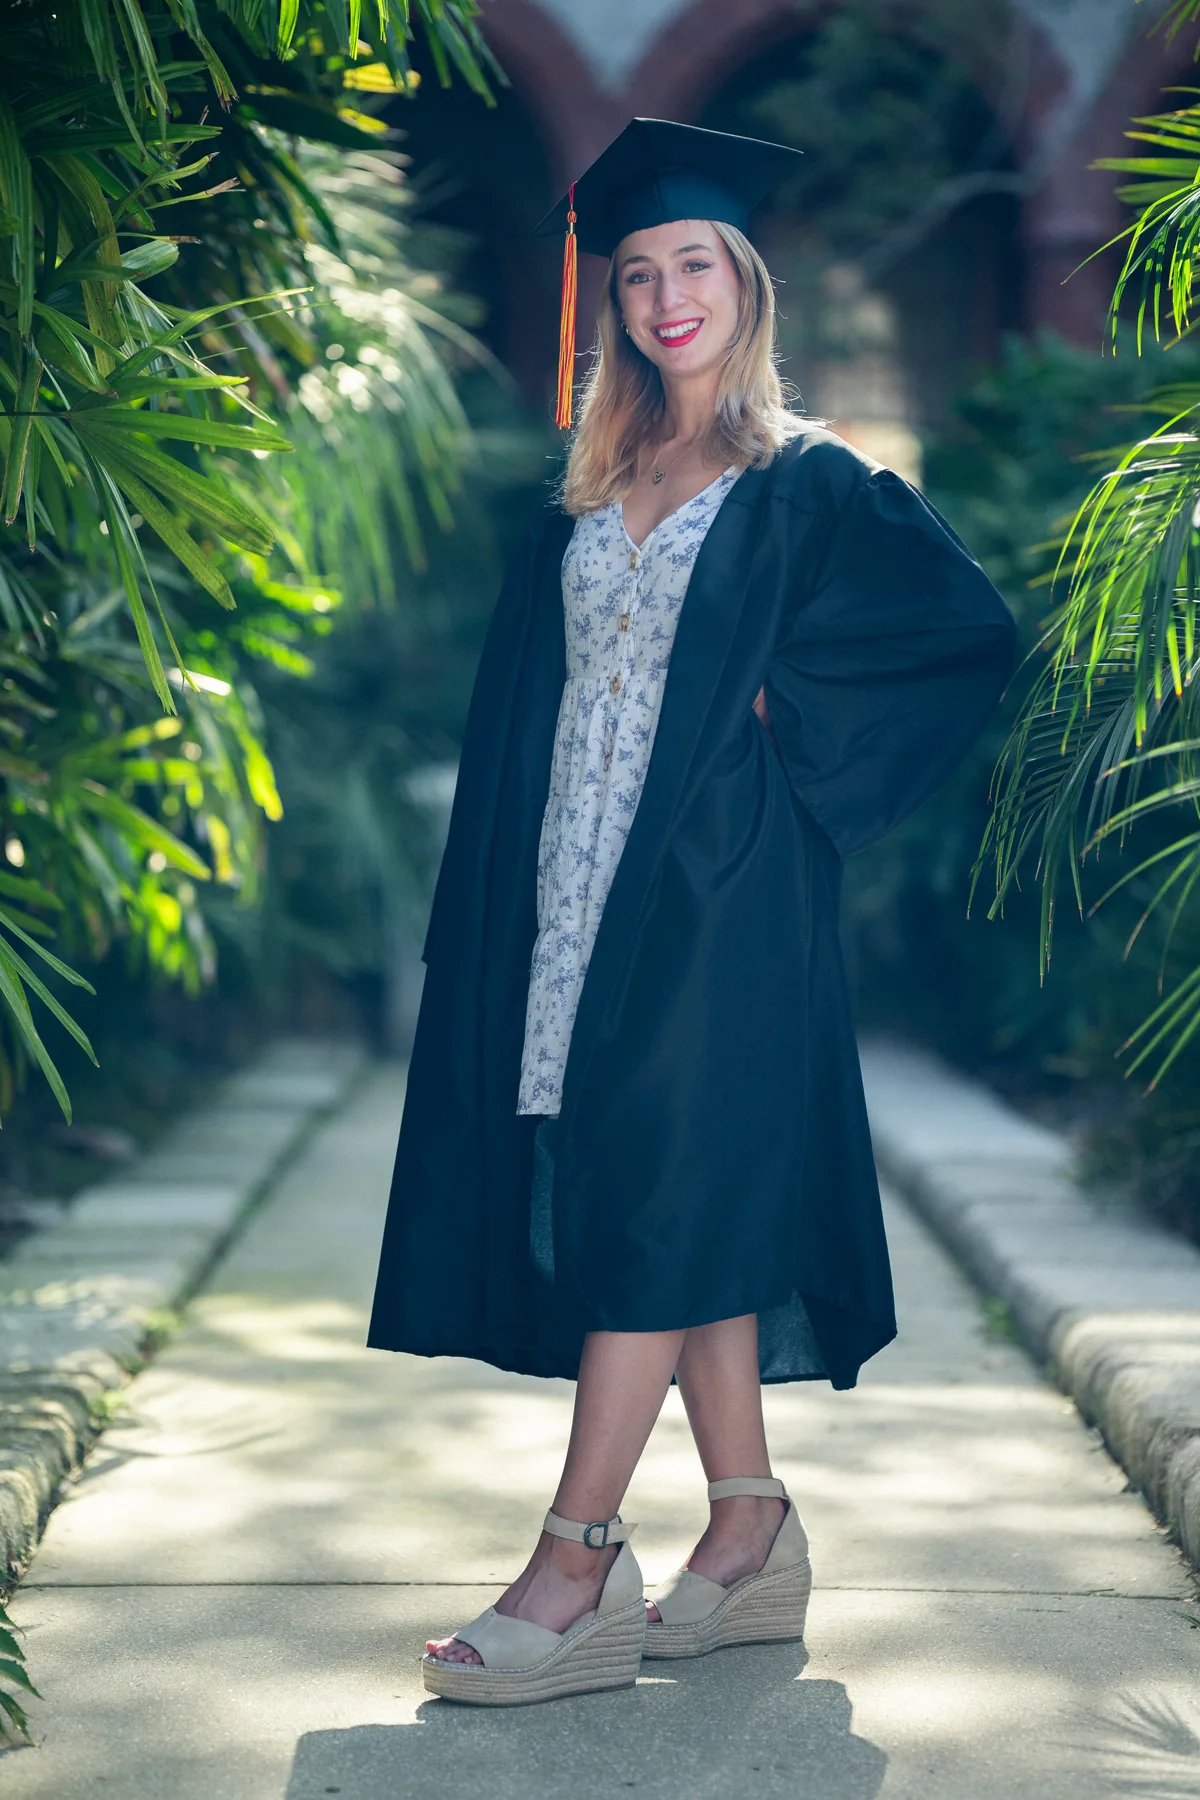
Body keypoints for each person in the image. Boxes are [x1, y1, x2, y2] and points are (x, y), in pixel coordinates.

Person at [368, 118, 1017, 1706]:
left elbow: (967, 637)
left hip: (725, 903)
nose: (667, 296)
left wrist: (787, 728)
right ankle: (749, 1532)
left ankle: (577, 1559)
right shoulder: (591, 482)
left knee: (653, 1194)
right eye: (641, 272)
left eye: (696, 265)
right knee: (688, 1197)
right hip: (573, 902)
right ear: (615, 304)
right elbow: (536, 707)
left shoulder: (809, 483)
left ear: (749, 283)